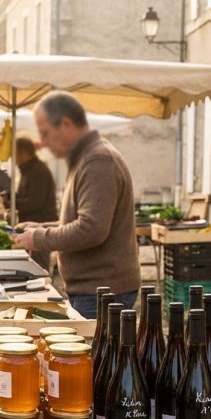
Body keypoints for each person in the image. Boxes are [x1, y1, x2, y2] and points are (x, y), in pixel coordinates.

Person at [13, 91, 140, 318]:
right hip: (93, 290)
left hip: (102, 292)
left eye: (45, 133)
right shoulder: (87, 158)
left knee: (95, 354)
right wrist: (40, 227)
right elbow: (80, 220)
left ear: (66, 125)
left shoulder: (97, 161)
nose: (43, 142)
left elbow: (92, 229)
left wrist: (39, 237)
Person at [13, 137, 59, 272]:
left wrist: (13, 203)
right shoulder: (28, 170)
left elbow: (35, 203)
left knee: (38, 270)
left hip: (40, 226)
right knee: (32, 268)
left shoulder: (38, 171)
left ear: (23, 152)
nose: (13, 157)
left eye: (15, 153)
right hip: (32, 226)